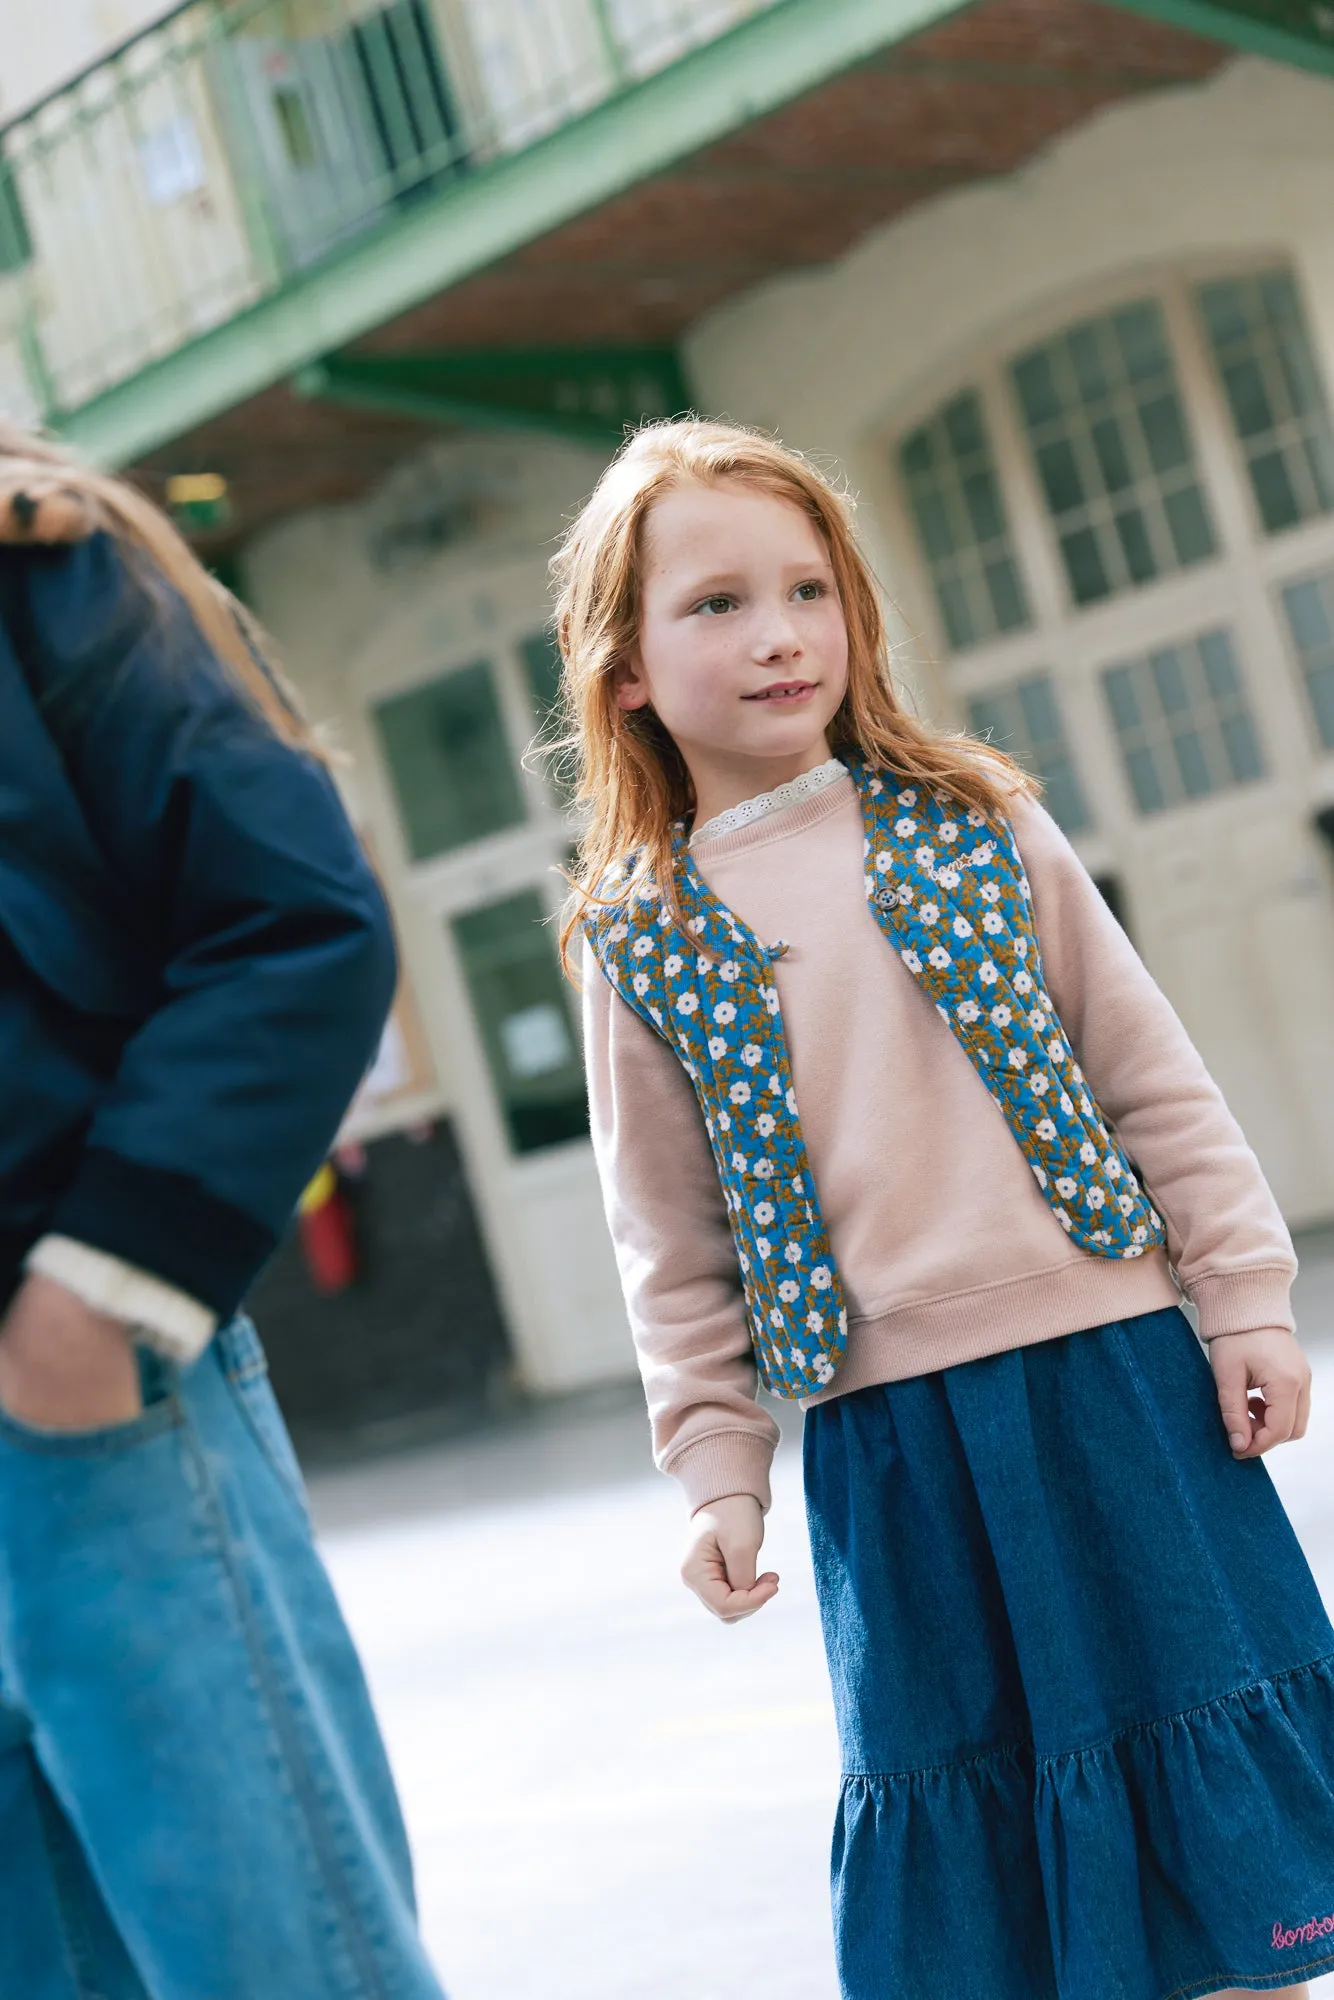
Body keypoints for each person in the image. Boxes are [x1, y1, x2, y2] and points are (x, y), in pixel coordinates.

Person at [558, 416, 1334, 2000]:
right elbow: (671, 1244)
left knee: (1222, 1811)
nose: (777, 636)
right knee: (999, 1879)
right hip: (889, 1443)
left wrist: (1243, 1296)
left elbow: (1148, 1075)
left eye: (806, 591)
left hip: (1117, 1378)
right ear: (623, 667)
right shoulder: (638, 939)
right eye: (713, 605)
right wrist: (717, 1469)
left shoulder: (976, 819)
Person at [0, 432, 446, 2000]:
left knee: (280, 1969)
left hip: (77, 1422)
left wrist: (97, 1303)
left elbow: (295, 921)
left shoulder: (48, 571)